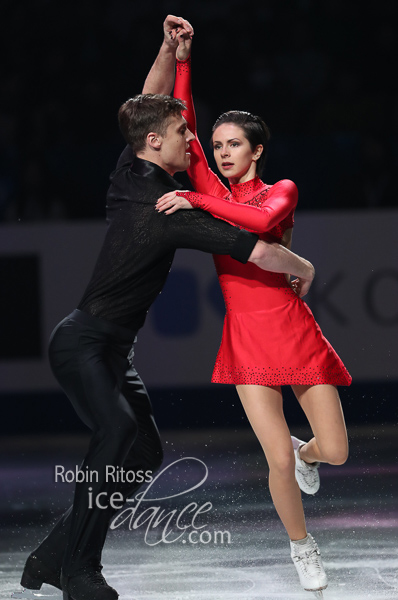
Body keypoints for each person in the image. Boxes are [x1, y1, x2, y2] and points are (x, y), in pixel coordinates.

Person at [17, 16, 315, 600]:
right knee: (119, 430)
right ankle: (79, 570)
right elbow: (261, 251)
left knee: (143, 448)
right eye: (185, 133)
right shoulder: (168, 207)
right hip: (82, 342)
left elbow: (149, 106)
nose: (192, 139)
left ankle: (51, 555)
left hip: (110, 350)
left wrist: (170, 51)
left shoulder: (137, 173)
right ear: (157, 144)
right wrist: (303, 267)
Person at [156, 33, 351, 597]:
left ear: (256, 150)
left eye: (233, 144)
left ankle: (304, 449)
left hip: (294, 329)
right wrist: (185, 63)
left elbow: (261, 226)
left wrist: (196, 200)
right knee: (276, 462)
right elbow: (186, 130)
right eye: (217, 145)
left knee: (333, 451)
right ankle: (301, 545)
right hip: (245, 339)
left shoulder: (280, 191)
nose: (221, 152)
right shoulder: (209, 182)